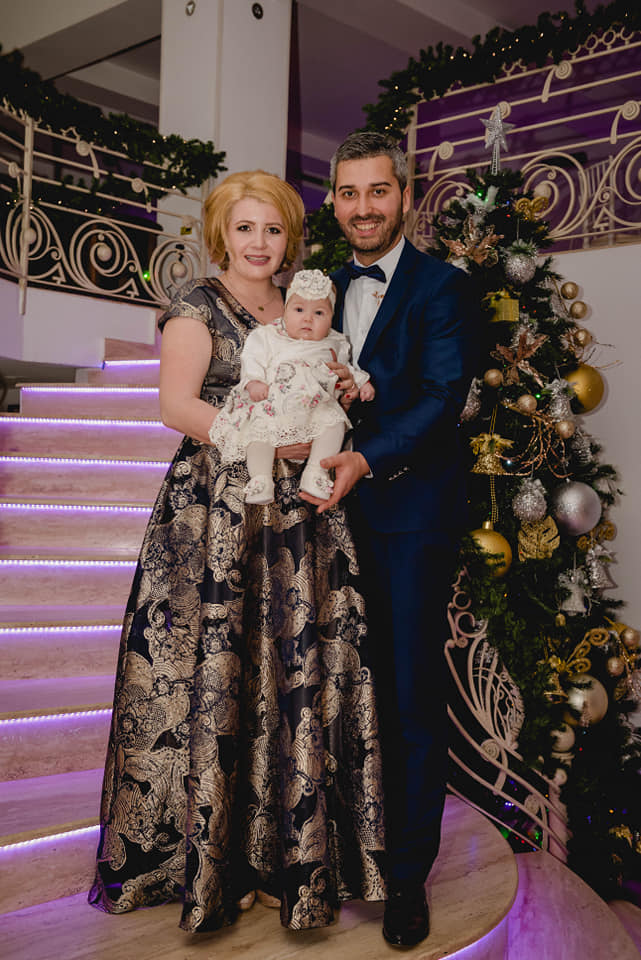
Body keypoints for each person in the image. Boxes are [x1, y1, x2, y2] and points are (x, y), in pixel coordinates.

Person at [89, 169, 386, 933]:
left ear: (292, 238)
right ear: (220, 233)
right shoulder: (195, 304)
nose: (259, 243)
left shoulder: (302, 307)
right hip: (220, 509)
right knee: (219, 674)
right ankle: (211, 862)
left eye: (273, 229)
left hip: (302, 514)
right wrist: (266, 441)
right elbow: (176, 405)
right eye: (245, 228)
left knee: (290, 675)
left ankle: (283, 857)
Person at [300, 132, 476, 947]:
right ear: (332, 201)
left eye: (377, 191)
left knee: (406, 700)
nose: (363, 208)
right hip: (318, 523)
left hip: (407, 520)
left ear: (404, 195)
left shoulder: (443, 287)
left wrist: (365, 458)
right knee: (325, 692)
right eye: (348, 193)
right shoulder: (317, 289)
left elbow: (440, 398)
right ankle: (329, 858)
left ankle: (405, 879)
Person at [210, 268, 374, 504]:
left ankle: (315, 473)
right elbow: (253, 359)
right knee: (258, 432)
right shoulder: (269, 335)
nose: (308, 319)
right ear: (285, 311)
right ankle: (260, 479)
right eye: (299, 310)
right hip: (274, 404)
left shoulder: (335, 342)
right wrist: (254, 381)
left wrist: (362, 381)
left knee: (335, 424)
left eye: (319, 313)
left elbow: (346, 368)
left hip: (317, 406)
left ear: (331, 318)